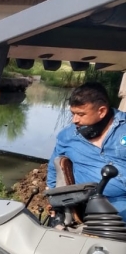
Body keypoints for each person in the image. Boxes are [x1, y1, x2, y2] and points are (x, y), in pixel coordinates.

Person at [47, 82, 126, 220]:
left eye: (81, 114)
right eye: (73, 113)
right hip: (98, 203)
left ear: (101, 111)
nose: (74, 120)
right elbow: (53, 169)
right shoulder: (67, 137)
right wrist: (52, 200)